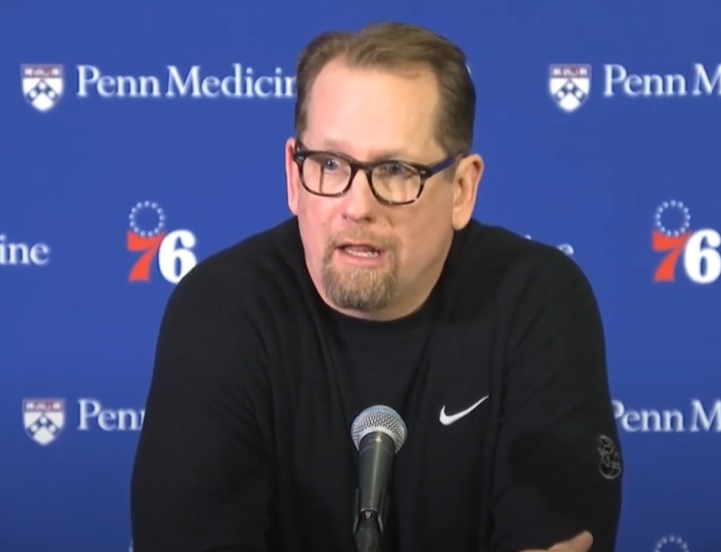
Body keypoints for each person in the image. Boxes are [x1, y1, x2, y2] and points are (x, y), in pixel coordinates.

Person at [130, 21, 623, 552]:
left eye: (395, 170)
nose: (357, 206)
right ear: (294, 178)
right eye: (330, 164)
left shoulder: (537, 302)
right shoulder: (220, 310)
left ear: (462, 189)